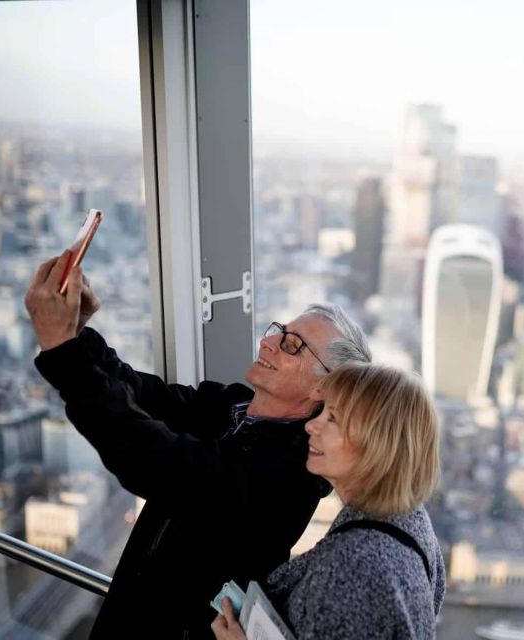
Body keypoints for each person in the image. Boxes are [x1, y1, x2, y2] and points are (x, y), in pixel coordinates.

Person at [23, 251, 372, 638]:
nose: (269, 340)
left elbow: (160, 464)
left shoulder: (290, 474)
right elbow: (138, 393)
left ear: (324, 386)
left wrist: (61, 350)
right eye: (279, 330)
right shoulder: (231, 406)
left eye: (292, 345)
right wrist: (75, 332)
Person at [211, 362, 444, 640]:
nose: (311, 425)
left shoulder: (354, 568)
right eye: (321, 412)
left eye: (332, 418)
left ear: (377, 443)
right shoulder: (412, 524)